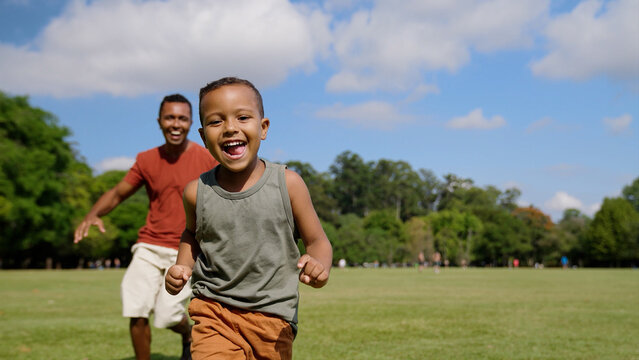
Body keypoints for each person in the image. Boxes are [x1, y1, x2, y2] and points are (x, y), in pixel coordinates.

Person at [165, 77, 333, 360]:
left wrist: (319, 266)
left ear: (263, 127)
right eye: (217, 122)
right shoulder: (196, 192)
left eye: (243, 117)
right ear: (204, 136)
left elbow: (317, 241)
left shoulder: (288, 184)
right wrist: (182, 266)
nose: (231, 128)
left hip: (273, 318)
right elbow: (192, 235)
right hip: (213, 311)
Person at [74, 94, 218, 360]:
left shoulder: (206, 159)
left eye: (182, 118)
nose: (176, 124)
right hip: (149, 245)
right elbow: (118, 193)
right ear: (159, 121)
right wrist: (93, 213)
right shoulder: (147, 159)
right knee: (136, 307)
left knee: (167, 315)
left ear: (191, 123)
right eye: (170, 117)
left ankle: (187, 334)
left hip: (186, 249)